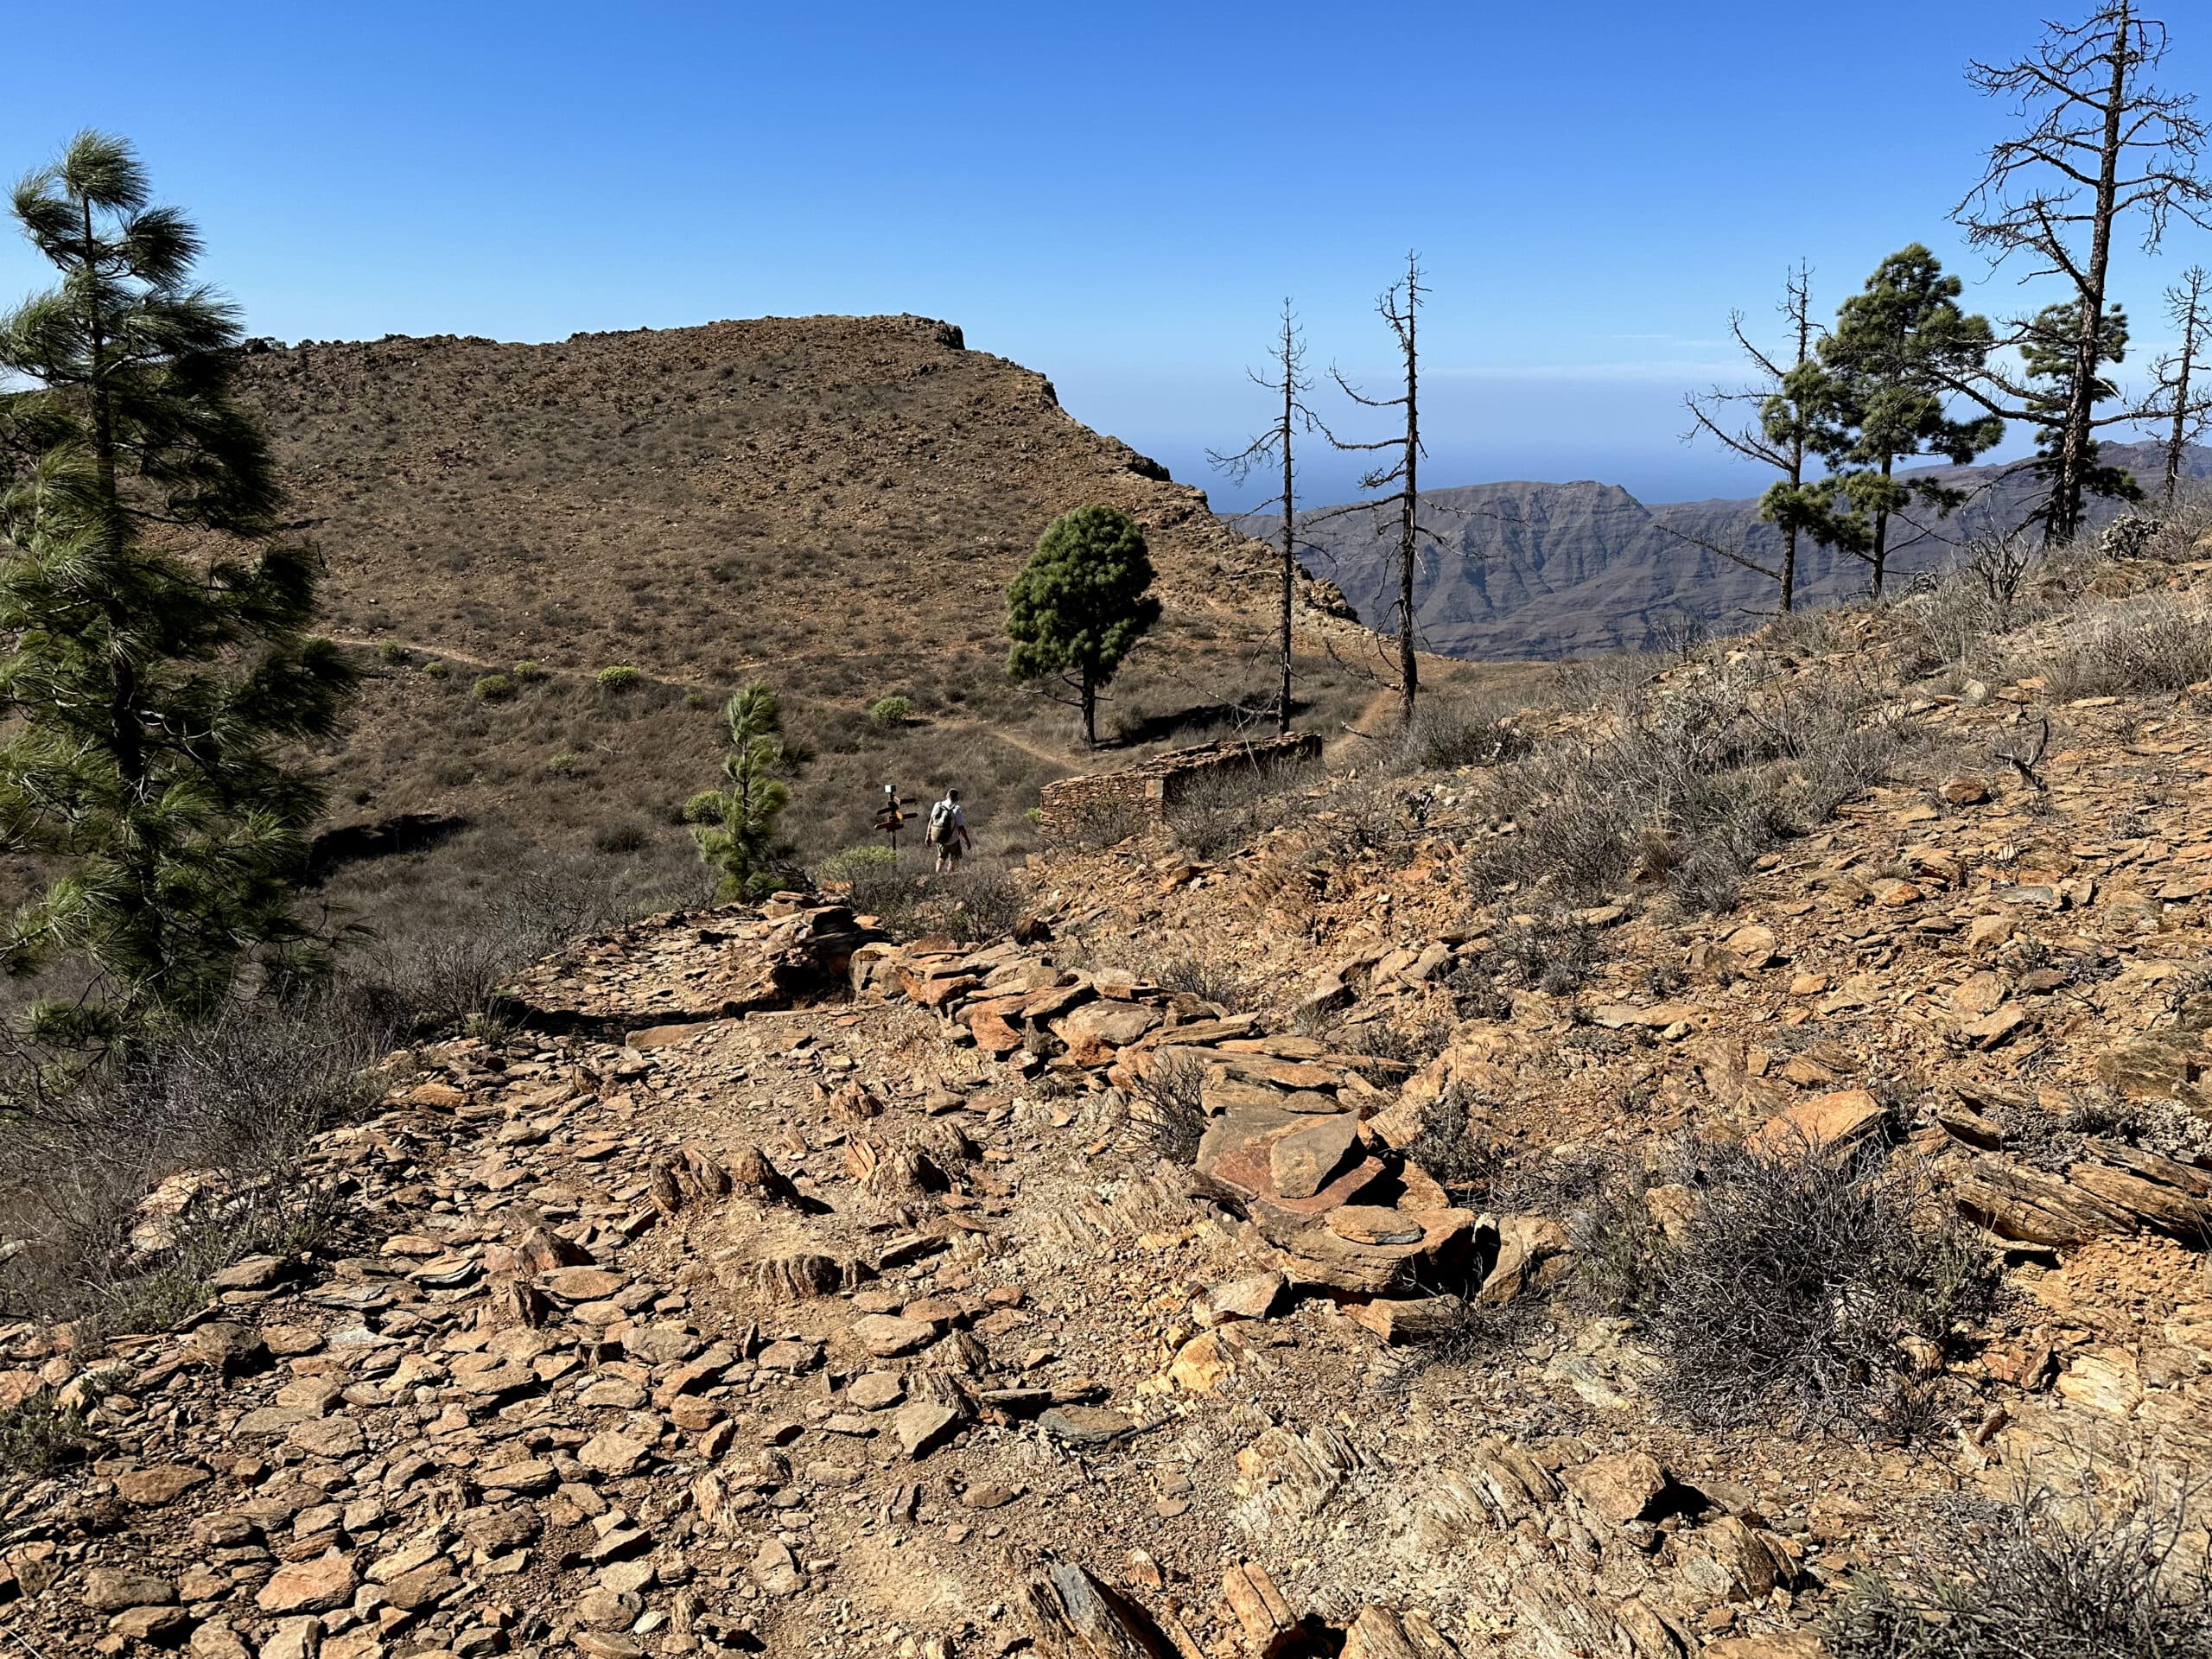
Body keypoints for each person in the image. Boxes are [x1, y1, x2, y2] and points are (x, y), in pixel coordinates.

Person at [926, 786, 972, 874]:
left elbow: (931, 821)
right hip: (953, 840)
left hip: (940, 838)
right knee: (955, 858)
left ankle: (937, 875)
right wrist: (967, 840)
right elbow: (961, 827)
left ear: (947, 795)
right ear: (956, 798)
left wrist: (928, 836)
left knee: (941, 858)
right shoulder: (956, 809)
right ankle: (950, 875)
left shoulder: (938, 805)